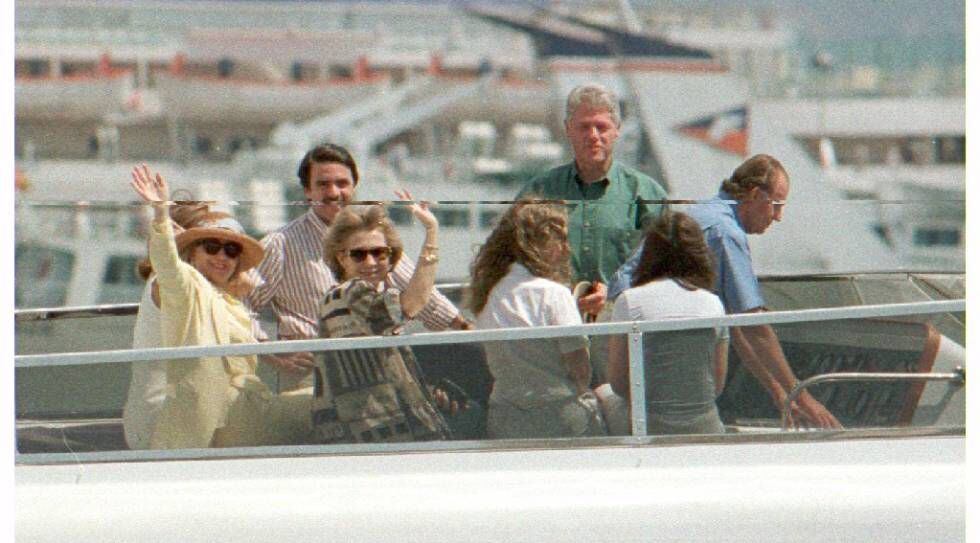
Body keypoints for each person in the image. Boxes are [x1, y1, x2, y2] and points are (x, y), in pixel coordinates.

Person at [607, 154, 842, 429]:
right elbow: (755, 327)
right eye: (776, 205)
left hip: (627, 319)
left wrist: (779, 393)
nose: (778, 217)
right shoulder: (726, 232)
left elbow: (737, 325)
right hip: (635, 328)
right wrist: (802, 396)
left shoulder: (709, 212)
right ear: (754, 195)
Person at [245, 143, 471, 393]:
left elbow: (422, 295)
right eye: (323, 184)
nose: (334, 192)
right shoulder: (281, 244)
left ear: (354, 186)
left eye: (342, 183)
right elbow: (240, 304)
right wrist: (274, 356)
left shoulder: (372, 237)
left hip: (379, 372)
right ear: (307, 191)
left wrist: (466, 329)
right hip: (314, 379)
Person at [129, 164, 311, 449]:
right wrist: (162, 217)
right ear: (188, 247)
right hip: (176, 418)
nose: (222, 255)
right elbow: (170, 267)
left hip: (219, 408)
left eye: (231, 249)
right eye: (210, 245)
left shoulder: (217, 294)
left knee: (320, 399)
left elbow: (236, 299)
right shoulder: (179, 281)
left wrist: (268, 352)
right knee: (323, 409)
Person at [517, 83, 667, 318]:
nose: (593, 136)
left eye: (601, 127)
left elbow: (664, 264)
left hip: (622, 326)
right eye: (584, 127)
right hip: (553, 325)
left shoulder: (647, 195)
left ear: (617, 129)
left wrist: (615, 291)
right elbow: (513, 257)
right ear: (568, 129)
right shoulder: (539, 192)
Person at [311, 194, 452, 444]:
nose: (371, 262)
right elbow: (412, 304)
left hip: (380, 430)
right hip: (364, 436)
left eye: (379, 253)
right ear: (341, 258)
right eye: (359, 255)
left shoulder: (367, 299)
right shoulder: (349, 293)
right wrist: (431, 231)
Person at [469, 200, 606, 439]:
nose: (567, 249)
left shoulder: (488, 295)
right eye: (560, 239)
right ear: (537, 244)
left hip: (504, 418)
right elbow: (580, 371)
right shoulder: (553, 293)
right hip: (558, 416)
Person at [607, 211, 728, 435]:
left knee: (601, 393)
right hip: (705, 426)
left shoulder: (629, 301)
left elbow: (619, 384)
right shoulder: (713, 304)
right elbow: (716, 384)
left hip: (649, 426)